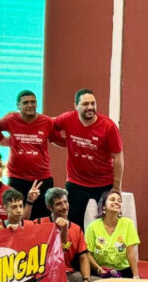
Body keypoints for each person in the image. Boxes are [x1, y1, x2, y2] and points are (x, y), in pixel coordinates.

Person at [51, 88, 124, 229]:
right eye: (85, 104)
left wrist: (116, 187)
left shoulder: (108, 126)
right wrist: (63, 142)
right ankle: (77, 244)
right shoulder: (67, 118)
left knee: (108, 223)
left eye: (93, 103)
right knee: (73, 224)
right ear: (76, 105)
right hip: (76, 182)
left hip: (104, 183)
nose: (90, 107)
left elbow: (118, 157)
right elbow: (49, 126)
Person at [85, 189, 138, 282]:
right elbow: (88, 254)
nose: (117, 202)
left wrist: (136, 276)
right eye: (112, 200)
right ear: (104, 206)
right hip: (101, 271)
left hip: (123, 270)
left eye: (119, 201)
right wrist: (98, 268)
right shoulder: (93, 227)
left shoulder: (127, 224)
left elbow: (130, 253)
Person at [0, 90, 54, 220]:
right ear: (18, 106)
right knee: (16, 217)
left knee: (42, 219)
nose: (30, 105)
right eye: (25, 102)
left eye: (33, 102)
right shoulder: (10, 120)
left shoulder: (47, 122)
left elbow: (57, 138)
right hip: (16, 178)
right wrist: (5, 141)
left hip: (41, 178)